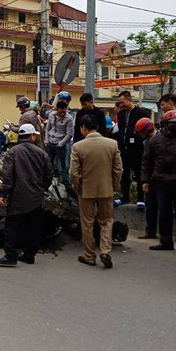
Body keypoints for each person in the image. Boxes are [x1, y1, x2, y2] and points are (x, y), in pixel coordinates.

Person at [0, 124, 53, 266]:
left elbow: (7, 177)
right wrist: (41, 188)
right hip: (36, 197)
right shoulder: (42, 153)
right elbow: (49, 174)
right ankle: (29, 255)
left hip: (17, 196)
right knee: (34, 228)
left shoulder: (12, 153)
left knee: (12, 226)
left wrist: (3, 195)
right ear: (31, 136)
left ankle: (10, 256)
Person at [141, 110, 176, 258]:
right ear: (165, 125)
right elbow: (147, 161)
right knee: (164, 215)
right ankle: (165, 242)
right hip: (161, 184)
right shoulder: (155, 141)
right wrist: (145, 180)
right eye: (173, 124)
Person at [70, 114, 123, 269]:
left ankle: (89, 255)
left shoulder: (78, 147)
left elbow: (74, 173)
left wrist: (77, 186)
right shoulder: (112, 144)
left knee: (87, 223)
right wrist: (113, 185)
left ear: (83, 128)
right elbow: (118, 169)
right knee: (106, 221)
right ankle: (105, 251)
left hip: (85, 190)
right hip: (106, 189)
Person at [114, 90, 149, 208]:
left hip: (136, 148)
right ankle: (124, 197)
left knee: (138, 173)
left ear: (130, 100)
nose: (121, 105)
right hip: (123, 148)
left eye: (122, 102)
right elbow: (120, 129)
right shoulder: (121, 114)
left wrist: (135, 138)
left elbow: (145, 130)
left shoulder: (141, 112)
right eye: (119, 103)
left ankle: (140, 198)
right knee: (124, 173)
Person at [134, 117, 158, 239]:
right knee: (150, 206)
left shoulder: (160, 139)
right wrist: (145, 180)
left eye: (141, 133)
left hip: (161, 177)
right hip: (150, 178)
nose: (140, 135)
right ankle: (150, 231)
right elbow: (145, 162)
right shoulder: (146, 142)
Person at [44, 100, 73, 184]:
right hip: (50, 142)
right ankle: (51, 181)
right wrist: (46, 140)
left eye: (64, 112)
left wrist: (60, 144)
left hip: (60, 144)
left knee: (61, 165)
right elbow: (47, 128)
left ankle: (63, 182)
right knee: (50, 163)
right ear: (57, 110)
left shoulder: (69, 119)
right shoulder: (51, 115)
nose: (62, 114)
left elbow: (69, 134)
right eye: (60, 112)